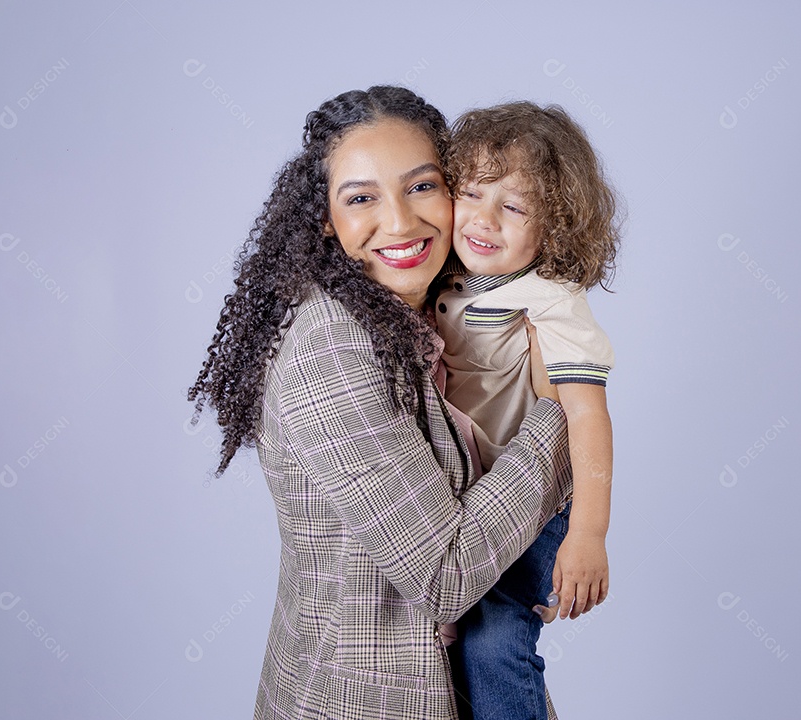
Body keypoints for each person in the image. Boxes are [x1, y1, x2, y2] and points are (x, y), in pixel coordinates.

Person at [186, 86, 573, 720]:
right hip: (366, 699)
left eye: (422, 187)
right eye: (361, 198)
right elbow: (446, 576)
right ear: (324, 220)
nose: (399, 222)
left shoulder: (434, 319)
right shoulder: (328, 352)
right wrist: (558, 411)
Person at [436, 102, 621, 720]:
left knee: (493, 639)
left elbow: (588, 417)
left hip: (538, 512)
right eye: (472, 194)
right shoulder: (442, 281)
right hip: (469, 511)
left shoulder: (550, 303)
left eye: (512, 207)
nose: (483, 220)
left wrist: (588, 534)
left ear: (555, 228)